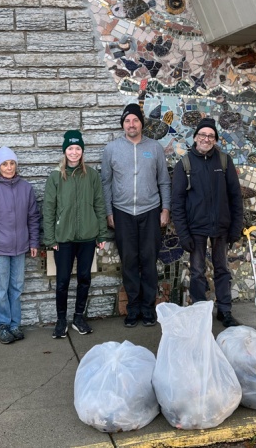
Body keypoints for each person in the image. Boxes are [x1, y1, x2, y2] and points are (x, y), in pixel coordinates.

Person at [101, 103, 171, 327]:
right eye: (127, 121)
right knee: (129, 261)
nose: (131, 124)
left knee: (149, 261)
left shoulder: (155, 148)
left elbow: (164, 181)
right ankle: (133, 308)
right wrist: (109, 211)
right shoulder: (111, 149)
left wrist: (165, 209)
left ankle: (148, 309)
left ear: (142, 123)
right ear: (123, 124)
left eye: (135, 120)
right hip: (122, 213)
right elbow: (106, 183)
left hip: (150, 211)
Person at [171, 117, 244, 327]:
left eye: (211, 136)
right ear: (195, 137)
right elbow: (178, 202)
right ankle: (200, 312)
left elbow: (235, 196)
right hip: (196, 229)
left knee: (222, 270)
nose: (206, 139)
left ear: (215, 139)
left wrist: (235, 227)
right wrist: (183, 234)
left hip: (221, 227)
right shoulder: (184, 164)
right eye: (202, 135)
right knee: (197, 272)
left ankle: (225, 311)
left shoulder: (223, 161)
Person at [43, 130, 109, 339]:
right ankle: (61, 320)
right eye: (70, 148)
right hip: (63, 238)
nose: (74, 152)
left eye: (78, 148)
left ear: (82, 151)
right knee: (62, 280)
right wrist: (50, 238)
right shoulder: (56, 176)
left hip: (88, 237)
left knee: (84, 277)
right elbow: (48, 208)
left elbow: (99, 204)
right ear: (65, 151)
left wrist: (101, 234)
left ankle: (78, 317)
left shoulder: (91, 175)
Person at [0, 146, 41, 344]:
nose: (9, 167)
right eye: (5, 164)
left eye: (12, 163)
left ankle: (15, 324)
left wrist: (34, 241)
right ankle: (1, 325)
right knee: (1, 288)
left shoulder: (25, 188)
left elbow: (33, 217)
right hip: (0, 248)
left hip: (20, 246)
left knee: (17, 286)